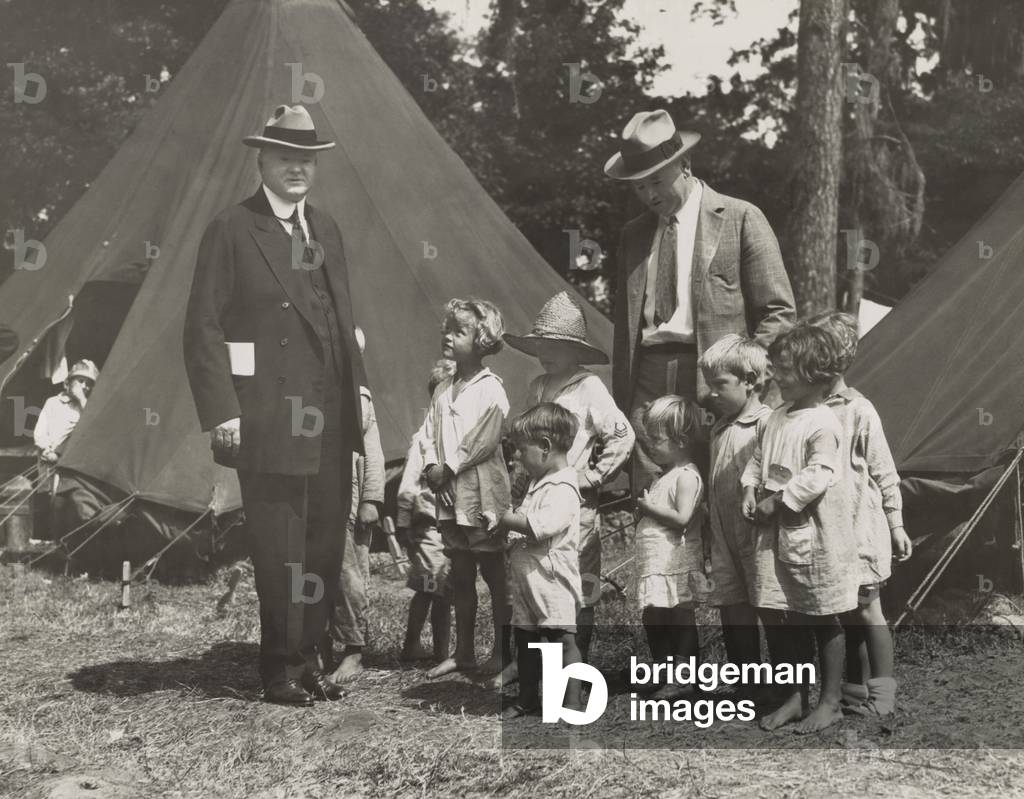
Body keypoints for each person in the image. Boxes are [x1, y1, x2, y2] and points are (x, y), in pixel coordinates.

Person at [183, 105, 366, 706]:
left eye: (307, 158)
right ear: (262, 159)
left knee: (321, 544)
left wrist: (358, 390)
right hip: (270, 414)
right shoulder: (232, 228)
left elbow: (341, 319)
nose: (297, 167)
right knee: (280, 548)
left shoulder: (329, 229)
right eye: (286, 156)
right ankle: (279, 670)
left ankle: (310, 659)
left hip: (332, 413)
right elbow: (202, 329)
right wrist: (225, 412)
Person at [604, 109, 795, 496]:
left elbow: (779, 313)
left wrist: (743, 376)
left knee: (723, 486)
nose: (649, 195)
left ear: (685, 165)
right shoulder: (634, 234)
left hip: (716, 378)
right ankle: (660, 559)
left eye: (656, 181)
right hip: (648, 378)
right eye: (638, 187)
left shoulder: (741, 218)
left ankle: (719, 557)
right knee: (652, 493)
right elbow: (626, 329)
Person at [502, 290, 635, 676]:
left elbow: (622, 435)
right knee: (537, 582)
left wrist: (591, 477)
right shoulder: (538, 385)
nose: (546, 353)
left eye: (556, 346)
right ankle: (538, 667)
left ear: (576, 350)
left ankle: (577, 667)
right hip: (536, 499)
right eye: (541, 344)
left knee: (577, 585)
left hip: (575, 504)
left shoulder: (589, 387)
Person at [740, 325, 857, 733]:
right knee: (777, 613)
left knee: (820, 615)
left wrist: (780, 500)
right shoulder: (774, 417)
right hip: (771, 535)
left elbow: (820, 473)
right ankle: (794, 697)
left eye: (785, 370)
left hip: (810, 533)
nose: (776, 377)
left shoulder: (823, 423)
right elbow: (757, 461)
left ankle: (830, 701)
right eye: (775, 369)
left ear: (813, 372)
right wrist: (751, 491)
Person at [806, 311, 912, 716]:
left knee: (868, 610)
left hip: (860, 529)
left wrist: (896, 524)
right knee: (845, 609)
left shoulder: (859, 410)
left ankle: (883, 696)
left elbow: (885, 472)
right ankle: (855, 692)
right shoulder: (809, 407)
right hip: (829, 530)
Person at [419, 298, 512, 679]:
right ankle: (464, 652)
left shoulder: (491, 389)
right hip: (448, 494)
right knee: (460, 574)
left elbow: (484, 439)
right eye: (448, 329)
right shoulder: (443, 389)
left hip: (479, 493)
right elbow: (428, 434)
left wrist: (449, 468)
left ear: (483, 339)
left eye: (460, 332)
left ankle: (504, 651)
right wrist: (431, 468)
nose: (449, 336)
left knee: (493, 573)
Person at [498, 403, 584, 719]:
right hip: (527, 580)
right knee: (527, 640)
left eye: (521, 449)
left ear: (545, 447)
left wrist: (504, 518)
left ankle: (572, 701)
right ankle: (527, 697)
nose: (516, 456)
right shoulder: (539, 482)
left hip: (552, 581)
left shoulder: (563, 486)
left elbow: (542, 526)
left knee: (562, 640)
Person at [699, 335, 772, 683]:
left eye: (720, 385)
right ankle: (746, 680)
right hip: (722, 532)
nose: (712, 393)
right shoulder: (719, 427)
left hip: (757, 533)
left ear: (750, 381)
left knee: (765, 603)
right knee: (731, 604)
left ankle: (779, 682)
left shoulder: (765, 423)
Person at [633, 395, 705, 700]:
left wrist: (649, 510)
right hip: (656, 564)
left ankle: (685, 676)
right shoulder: (665, 476)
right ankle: (663, 670)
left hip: (675, 563)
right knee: (654, 616)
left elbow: (683, 519)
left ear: (681, 440)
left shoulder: (686, 477)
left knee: (679, 618)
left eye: (657, 439)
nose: (650, 445)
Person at [327, 328, 385, 682]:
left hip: (347, 494)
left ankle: (353, 647)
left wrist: (371, 498)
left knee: (350, 573)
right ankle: (317, 643)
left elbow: (373, 452)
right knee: (315, 571)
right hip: (314, 497)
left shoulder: (359, 398)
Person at [397, 359, 455, 665]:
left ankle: (439, 650)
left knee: (443, 589)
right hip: (429, 527)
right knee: (433, 588)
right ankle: (417, 645)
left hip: (450, 528)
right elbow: (408, 486)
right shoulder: (424, 439)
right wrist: (404, 523)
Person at [34, 359, 99, 466]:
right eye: (81, 381)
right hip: (46, 457)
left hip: (68, 461)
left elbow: (92, 426)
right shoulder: (52, 402)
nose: (84, 386)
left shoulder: (86, 406)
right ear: (68, 382)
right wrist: (47, 449)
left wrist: (82, 399)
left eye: (88, 384)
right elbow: (40, 431)